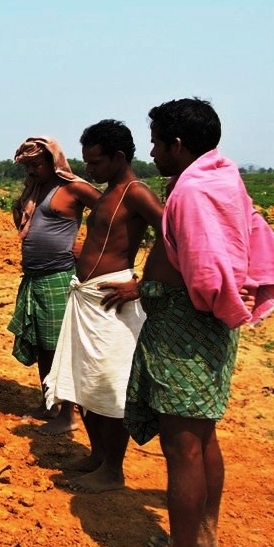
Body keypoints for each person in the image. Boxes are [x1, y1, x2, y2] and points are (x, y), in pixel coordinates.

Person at [107, 98, 274, 547]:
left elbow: (208, 271)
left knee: (183, 447)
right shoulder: (220, 177)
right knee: (203, 435)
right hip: (205, 329)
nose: (151, 151)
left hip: (187, 330)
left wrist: (161, 293)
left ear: (178, 144)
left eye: (156, 143)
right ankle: (205, 543)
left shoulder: (192, 190)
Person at [43, 120, 163, 492]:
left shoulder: (136, 192)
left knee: (110, 385)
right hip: (88, 297)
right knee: (87, 381)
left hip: (112, 300)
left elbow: (172, 235)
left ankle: (113, 469)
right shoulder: (109, 191)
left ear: (119, 157)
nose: (89, 171)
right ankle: (97, 455)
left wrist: (141, 284)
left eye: (95, 163)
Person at [8, 137, 99, 432]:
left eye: (37, 164)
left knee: (62, 347)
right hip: (35, 278)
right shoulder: (34, 190)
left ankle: (68, 415)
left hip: (59, 277)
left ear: (53, 161)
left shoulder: (73, 188)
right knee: (44, 347)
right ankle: (50, 403)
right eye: (28, 166)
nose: (32, 170)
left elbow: (112, 213)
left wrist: (90, 247)